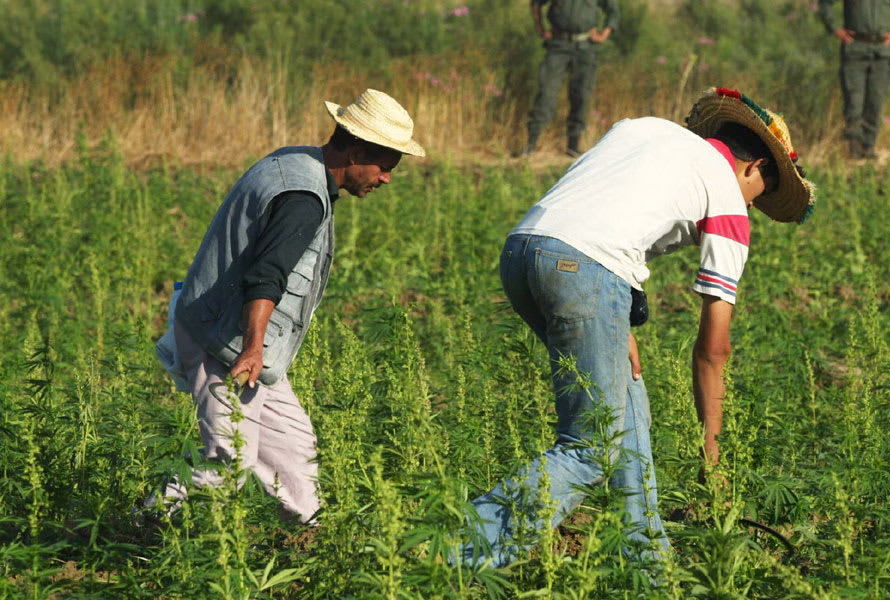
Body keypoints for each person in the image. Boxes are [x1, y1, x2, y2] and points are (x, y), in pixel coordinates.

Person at [462, 87, 816, 568]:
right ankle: (451, 557)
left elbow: (598, 210)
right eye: (762, 194)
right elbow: (714, 349)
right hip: (586, 269)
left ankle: (648, 566)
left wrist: (614, 316)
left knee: (629, 414)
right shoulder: (729, 199)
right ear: (755, 168)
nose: (754, 206)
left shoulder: (643, 129)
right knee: (590, 448)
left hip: (524, 251)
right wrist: (711, 455)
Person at [146, 89, 425, 524]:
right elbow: (266, 276)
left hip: (238, 337)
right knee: (228, 459)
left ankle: (313, 539)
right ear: (355, 153)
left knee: (294, 447)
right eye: (385, 167)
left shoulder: (295, 162)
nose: (386, 178)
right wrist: (253, 348)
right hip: (227, 342)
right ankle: (145, 526)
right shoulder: (303, 198)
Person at [523, 0, 620, 157]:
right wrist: (539, 28)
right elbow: (536, 3)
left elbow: (613, 10)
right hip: (558, 45)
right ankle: (532, 144)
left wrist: (605, 33)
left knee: (581, 95)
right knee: (546, 93)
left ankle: (573, 146)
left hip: (586, 47)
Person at [817, 0, 890, 159]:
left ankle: (868, 148)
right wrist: (836, 29)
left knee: (875, 102)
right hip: (855, 50)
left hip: (881, 52)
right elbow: (824, 4)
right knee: (854, 103)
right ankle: (853, 150)